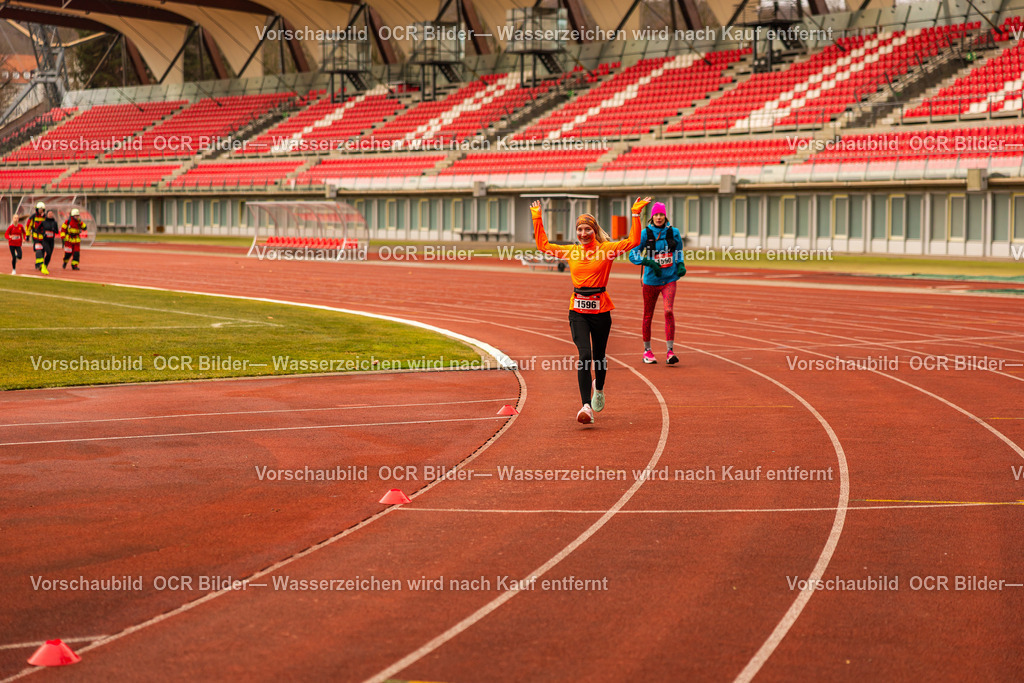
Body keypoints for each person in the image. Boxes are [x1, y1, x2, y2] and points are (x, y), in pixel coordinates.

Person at [532, 196, 651, 425]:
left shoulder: (606, 250)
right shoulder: (572, 252)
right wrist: (537, 217)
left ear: (594, 231)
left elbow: (633, 241)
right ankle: (585, 406)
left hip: (601, 310)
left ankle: (600, 388)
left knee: (599, 358)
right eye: (579, 229)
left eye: (587, 229)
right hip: (577, 311)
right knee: (584, 356)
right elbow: (543, 246)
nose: (583, 233)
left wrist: (635, 214)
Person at [628, 201, 686, 364]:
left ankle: (670, 351)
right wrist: (648, 262)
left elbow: (679, 251)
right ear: (652, 217)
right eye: (656, 215)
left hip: (669, 279)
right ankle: (647, 351)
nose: (659, 217)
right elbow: (633, 254)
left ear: (665, 215)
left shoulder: (673, 232)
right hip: (651, 281)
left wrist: (680, 264)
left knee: (668, 311)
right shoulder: (645, 234)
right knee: (648, 314)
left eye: (661, 214)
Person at [26, 202, 49, 274]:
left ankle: (38, 264)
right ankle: (40, 264)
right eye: (39, 209)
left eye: (42, 209)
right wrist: (27, 235)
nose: (40, 210)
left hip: (44, 237)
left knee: (43, 251)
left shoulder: (45, 217)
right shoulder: (33, 217)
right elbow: (28, 226)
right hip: (36, 236)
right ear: (37, 209)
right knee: (38, 250)